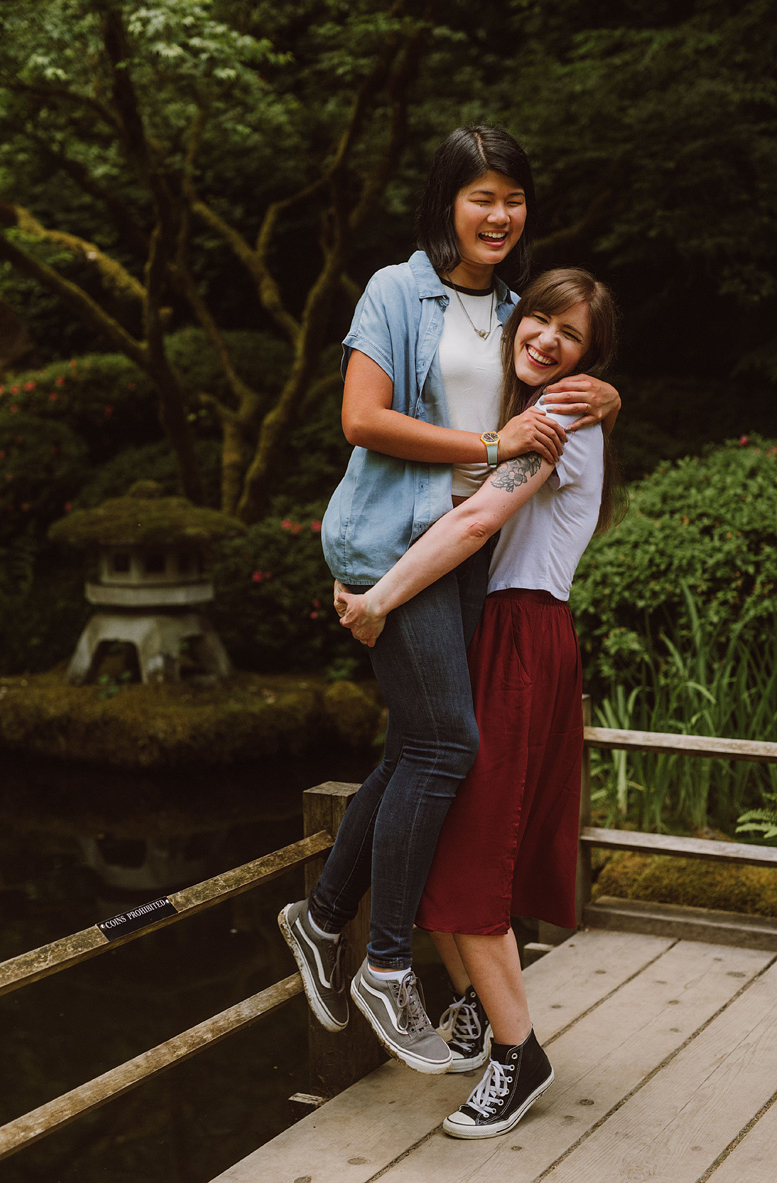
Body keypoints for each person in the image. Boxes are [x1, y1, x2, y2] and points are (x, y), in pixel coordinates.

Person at [277, 126, 620, 1074]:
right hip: (394, 537)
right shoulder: (397, 290)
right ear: (447, 203)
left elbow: (561, 376)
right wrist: (487, 449)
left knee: (421, 745)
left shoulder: (521, 310)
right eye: (481, 196)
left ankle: (319, 920)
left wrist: (606, 397)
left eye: (512, 197)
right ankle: (384, 962)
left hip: (460, 555)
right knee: (448, 745)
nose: (498, 214)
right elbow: (361, 418)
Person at [335, 268, 620, 1137]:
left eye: (570, 337)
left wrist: (379, 598)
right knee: (449, 828)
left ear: (588, 360)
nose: (545, 340)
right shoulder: (514, 407)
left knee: (475, 850)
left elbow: (469, 526)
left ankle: (517, 1051)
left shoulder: (561, 416)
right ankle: (470, 1007)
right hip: (489, 629)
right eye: (539, 319)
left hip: (521, 635)